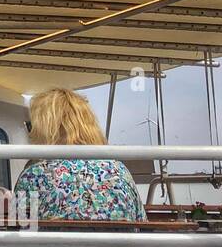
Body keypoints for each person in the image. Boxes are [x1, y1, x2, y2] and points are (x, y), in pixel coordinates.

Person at [14, 88, 145, 221]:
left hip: (57, 242)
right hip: (118, 242)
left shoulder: (34, 175)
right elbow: (141, 223)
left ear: (44, 130)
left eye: (31, 126)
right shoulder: (120, 171)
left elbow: (18, 228)